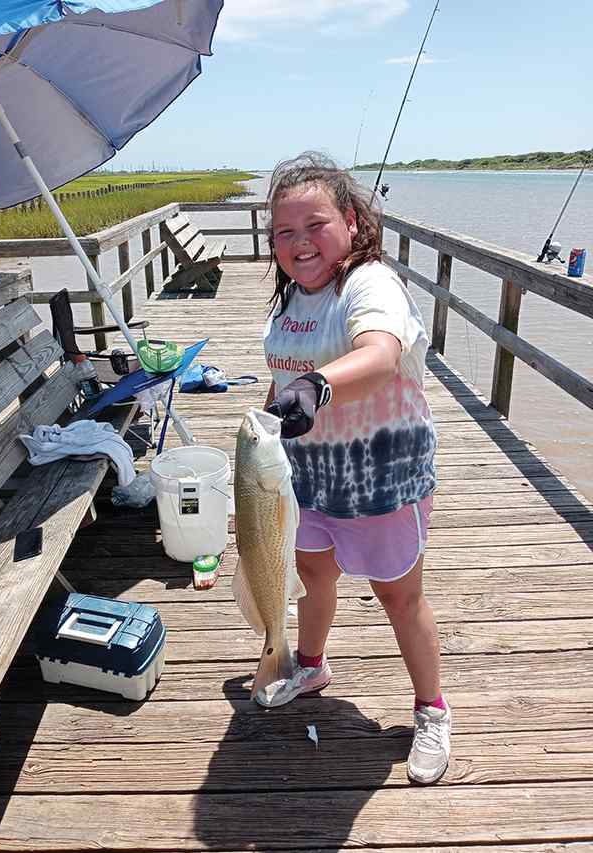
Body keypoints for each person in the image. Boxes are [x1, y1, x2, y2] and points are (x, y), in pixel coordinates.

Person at [261, 151, 450, 785]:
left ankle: (432, 710)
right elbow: (284, 376)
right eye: (284, 232)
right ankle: (311, 664)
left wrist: (316, 384)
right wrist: (267, 420)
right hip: (306, 475)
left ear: (349, 221)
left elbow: (378, 354)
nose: (299, 243)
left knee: (398, 594)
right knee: (312, 573)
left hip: (379, 475)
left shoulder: (369, 284)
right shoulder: (291, 297)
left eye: (314, 225)